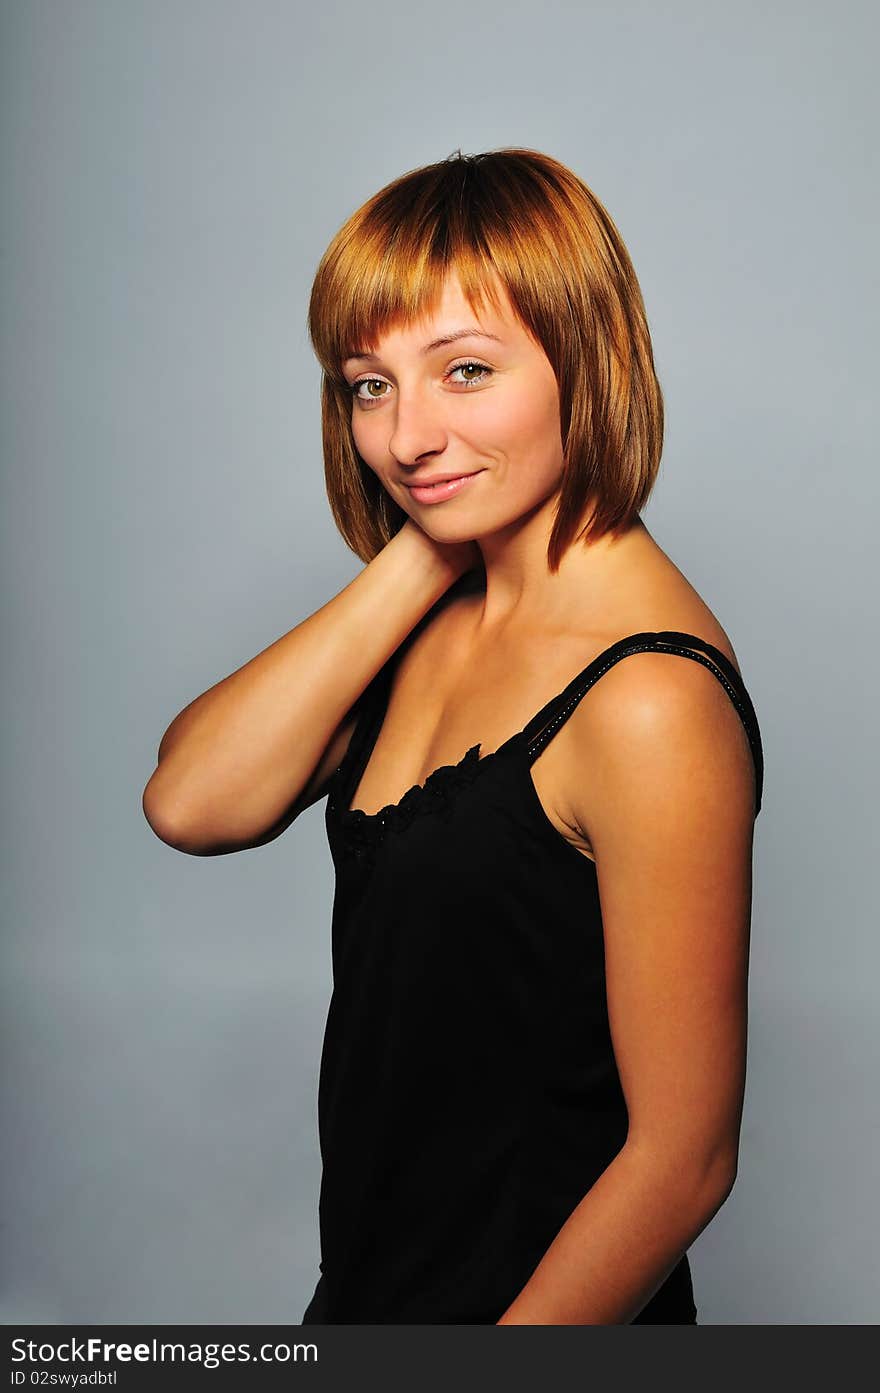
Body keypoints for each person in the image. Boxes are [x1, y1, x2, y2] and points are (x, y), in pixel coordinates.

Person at [142, 147, 764, 1325]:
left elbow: (682, 1162)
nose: (407, 435)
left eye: (464, 372)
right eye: (369, 386)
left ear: (586, 360)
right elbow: (191, 802)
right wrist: (428, 546)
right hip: (372, 1302)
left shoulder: (647, 700)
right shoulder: (433, 619)